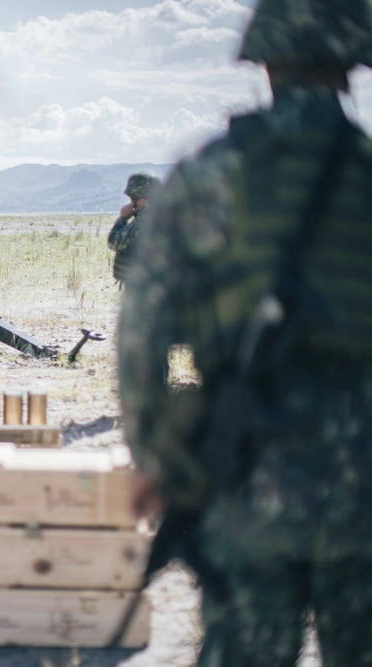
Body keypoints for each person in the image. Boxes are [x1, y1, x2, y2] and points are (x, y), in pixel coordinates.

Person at [118, 0, 372, 664]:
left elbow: (151, 335)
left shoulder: (212, 173)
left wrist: (161, 453)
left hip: (247, 471)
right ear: (351, 59)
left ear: (266, 58)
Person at [107, 172, 160, 284]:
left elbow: (114, 242)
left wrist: (122, 218)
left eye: (134, 198)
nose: (132, 202)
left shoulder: (145, 220)